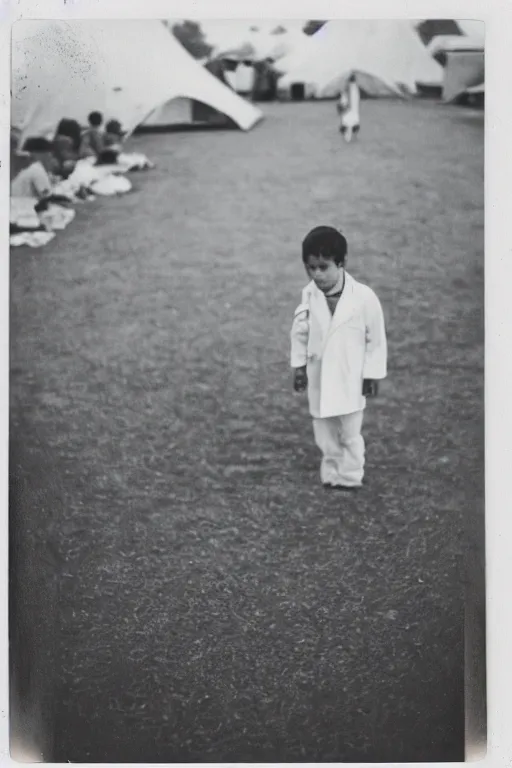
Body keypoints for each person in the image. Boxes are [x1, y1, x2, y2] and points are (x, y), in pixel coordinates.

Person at [290, 226, 387, 489]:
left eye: (323, 267)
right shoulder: (309, 294)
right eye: (310, 268)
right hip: (319, 374)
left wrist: (372, 374)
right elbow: (301, 332)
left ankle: (351, 474)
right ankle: (331, 472)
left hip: (350, 376)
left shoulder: (364, 298)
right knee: (324, 430)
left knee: (350, 431)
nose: (316, 274)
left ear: (341, 263)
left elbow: (375, 338)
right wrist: (299, 367)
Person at [338, 73, 361, 143]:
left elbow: (344, 102)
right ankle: (351, 136)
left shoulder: (350, 89)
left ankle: (349, 136)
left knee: (348, 123)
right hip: (351, 112)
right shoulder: (354, 89)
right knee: (351, 123)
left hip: (349, 112)